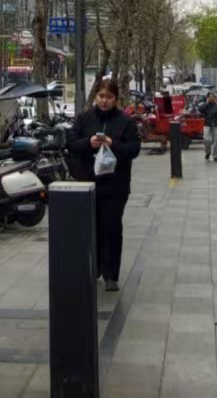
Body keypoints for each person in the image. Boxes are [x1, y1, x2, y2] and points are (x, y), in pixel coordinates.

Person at [67, 76, 142, 291]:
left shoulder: (125, 122)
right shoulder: (84, 119)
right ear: (95, 97)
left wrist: (112, 144)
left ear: (115, 98)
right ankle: (96, 267)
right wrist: (88, 143)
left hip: (115, 185)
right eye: (101, 96)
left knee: (111, 226)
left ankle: (111, 274)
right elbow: (71, 143)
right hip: (89, 183)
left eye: (109, 97)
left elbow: (133, 149)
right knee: (93, 227)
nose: (104, 101)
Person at [200, 89, 217, 162]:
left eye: (213, 97)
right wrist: (206, 103)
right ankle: (207, 152)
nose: (211, 98)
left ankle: (215, 155)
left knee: (216, 141)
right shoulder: (205, 105)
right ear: (207, 97)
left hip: (216, 125)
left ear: (215, 98)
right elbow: (200, 109)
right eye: (210, 97)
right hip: (207, 125)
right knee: (206, 140)